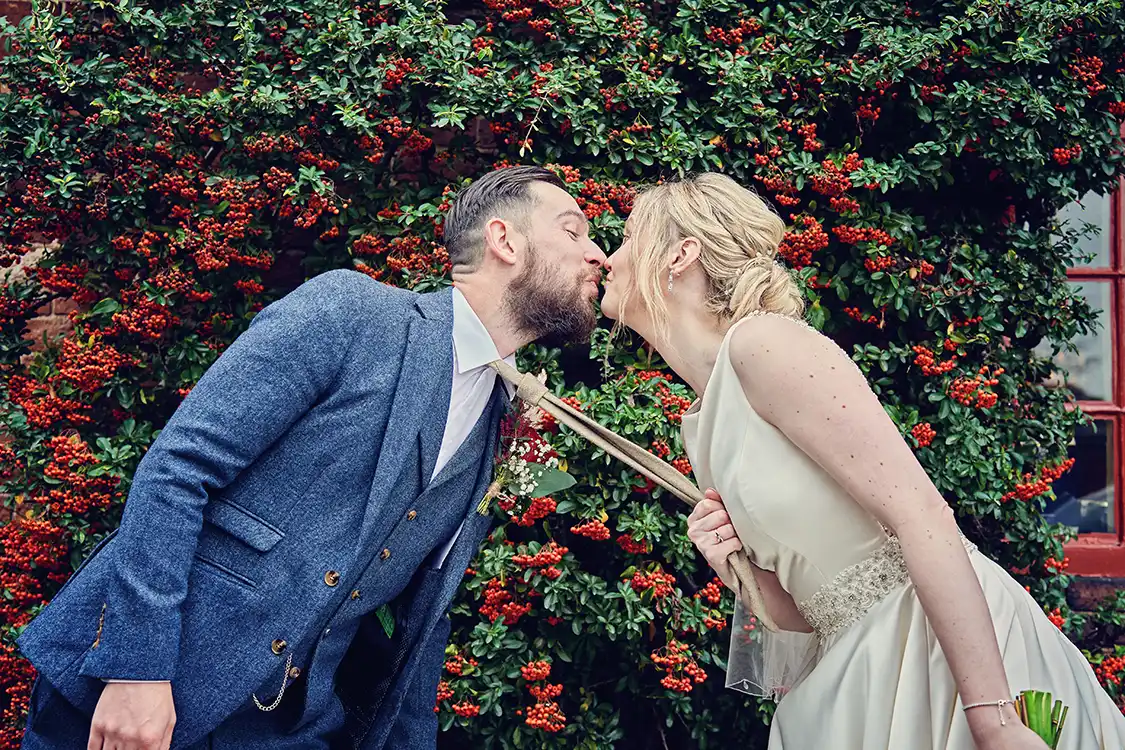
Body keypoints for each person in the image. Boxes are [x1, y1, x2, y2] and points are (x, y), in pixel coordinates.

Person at [19, 165, 607, 750]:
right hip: (139, 696)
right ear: (505, 241)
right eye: (574, 231)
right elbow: (178, 470)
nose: (598, 255)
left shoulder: (498, 420)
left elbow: (423, 616)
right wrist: (137, 670)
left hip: (292, 725)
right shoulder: (351, 311)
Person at [599, 171, 1125, 750]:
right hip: (852, 669)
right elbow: (804, 616)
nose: (610, 256)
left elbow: (921, 513)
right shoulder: (700, 422)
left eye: (626, 237)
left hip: (933, 655)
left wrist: (992, 720)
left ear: (682, 253)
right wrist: (732, 567)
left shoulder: (765, 345)